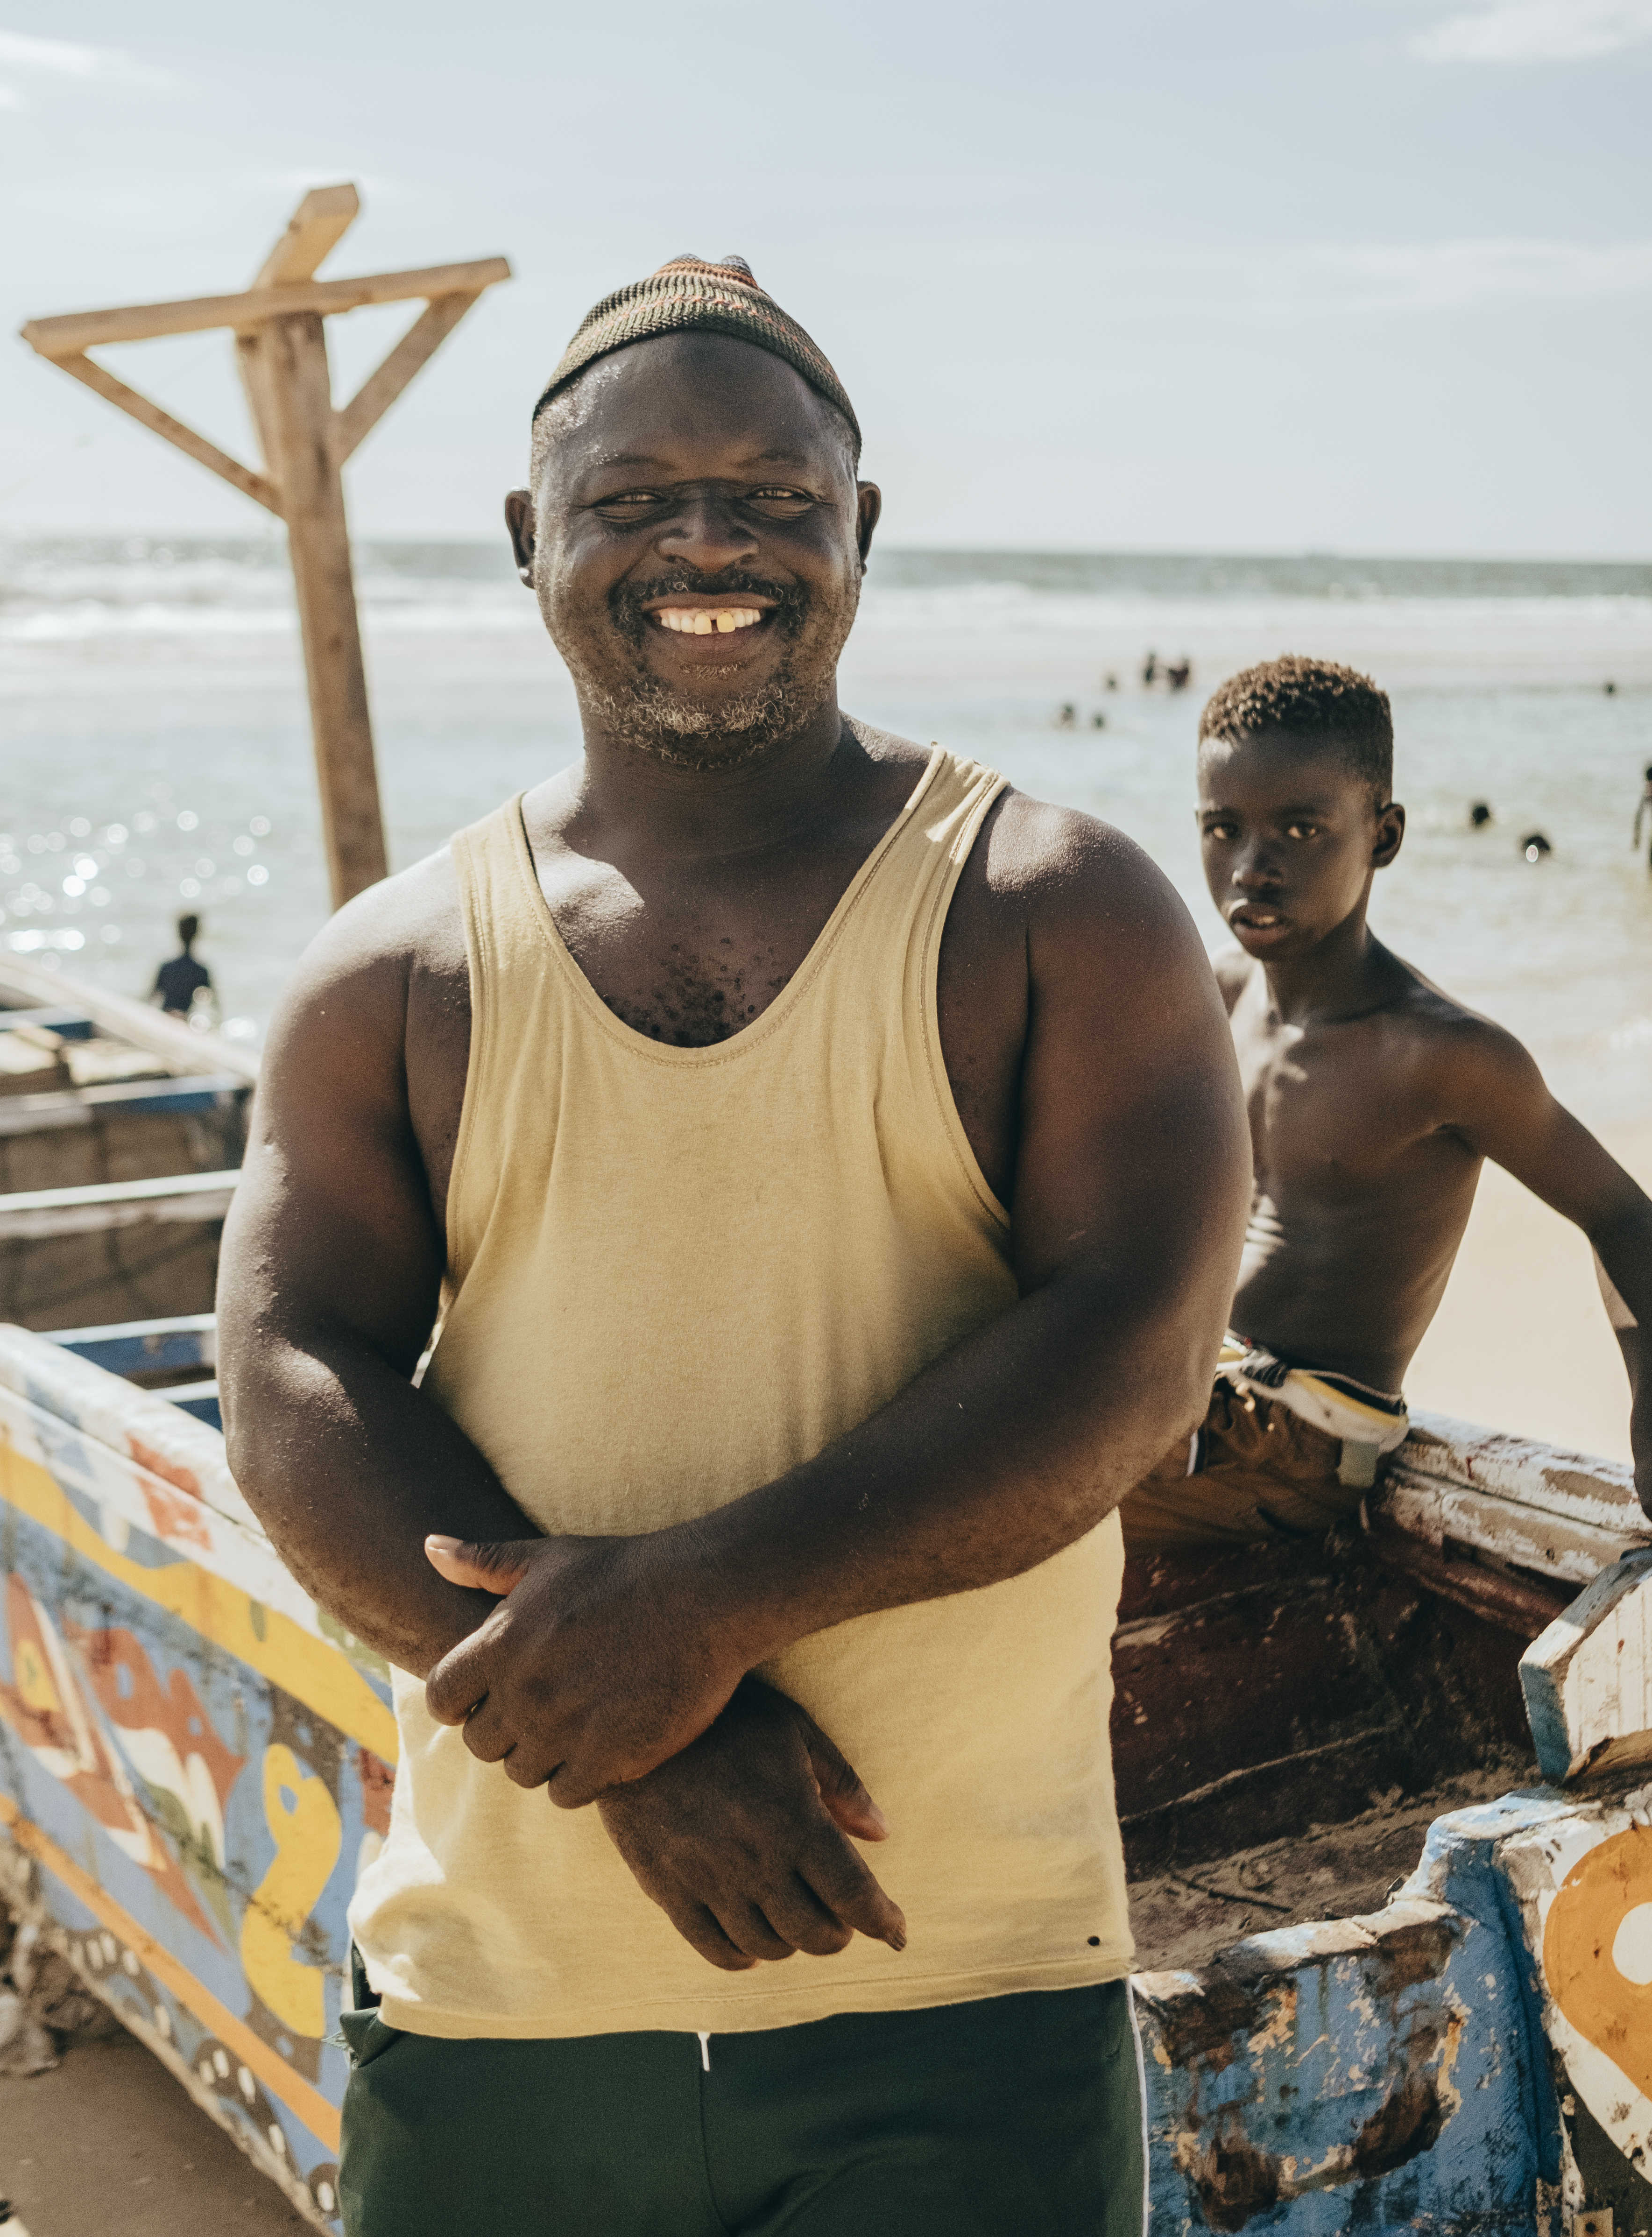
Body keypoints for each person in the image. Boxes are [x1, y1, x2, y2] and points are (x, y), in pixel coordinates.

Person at [218, 253, 1248, 2234]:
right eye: (633, 498)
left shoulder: (1048, 906)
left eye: (774, 498)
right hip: (502, 2000)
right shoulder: (396, 968)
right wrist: (618, 1740)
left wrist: (689, 1619)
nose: (709, 546)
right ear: (533, 538)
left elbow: (1135, 1340)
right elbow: (288, 1372)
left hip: (959, 1986)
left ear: (854, 530)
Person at [1120, 656, 1652, 1553]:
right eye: (1223, 828)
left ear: (1383, 834)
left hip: (1301, 1439)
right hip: (1198, 1386)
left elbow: (1620, 1215)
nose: (1252, 866)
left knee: (987, 1478)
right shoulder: (1217, 992)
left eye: (1299, 828)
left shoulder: (1437, 1055)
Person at [151, 913, 211, 1018]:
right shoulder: (201, 970)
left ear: (178, 932)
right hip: (185, 1019)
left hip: (165, 1017)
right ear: (198, 932)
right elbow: (213, 1007)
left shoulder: (167, 967)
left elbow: (151, 998)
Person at [1634, 764, 1652, 865]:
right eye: (1649, 782)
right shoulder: (1647, 795)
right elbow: (1639, 817)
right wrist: (1637, 838)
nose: (1650, 786)